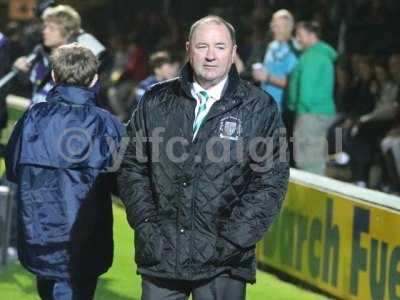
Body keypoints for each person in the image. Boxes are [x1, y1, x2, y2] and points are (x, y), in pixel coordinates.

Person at [117, 15, 289, 300]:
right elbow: (131, 165)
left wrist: (232, 241)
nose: (211, 56)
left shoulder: (260, 108)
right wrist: (146, 225)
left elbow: (270, 182)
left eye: (220, 47)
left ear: (233, 52)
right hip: (162, 256)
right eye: (202, 46)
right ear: (188, 49)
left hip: (224, 263)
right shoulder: (156, 99)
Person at [5, 43, 125, 300]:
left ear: (54, 76)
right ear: (94, 79)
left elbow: (13, 170)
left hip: (41, 239)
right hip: (85, 242)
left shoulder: (33, 118)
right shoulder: (108, 124)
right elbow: (123, 184)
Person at [13, 5, 104, 105]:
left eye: (51, 28)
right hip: (36, 117)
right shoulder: (39, 54)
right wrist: (20, 71)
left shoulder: (78, 65)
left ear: (68, 32)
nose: (45, 31)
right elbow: (28, 88)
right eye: (45, 27)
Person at [288, 21, 337, 175]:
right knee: (314, 158)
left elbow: (306, 87)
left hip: (310, 114)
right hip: (318, 112)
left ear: (311, 35)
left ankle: (311, 198)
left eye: (300, 35)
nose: (297, 39)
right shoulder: (321, 55)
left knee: (309, 162)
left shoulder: (312, 57)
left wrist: (300, 107)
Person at [252, 9, 298, 110]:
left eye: (278, 26)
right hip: (265, 104)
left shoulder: (294, 50)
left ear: (289, 28)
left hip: (281, 109)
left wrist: (268, 78)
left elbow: (293, 84)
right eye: (273, 25)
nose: (274, 29)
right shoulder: (272, 45)